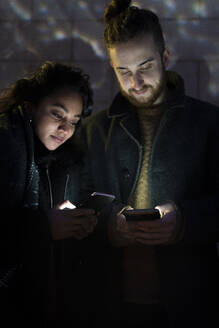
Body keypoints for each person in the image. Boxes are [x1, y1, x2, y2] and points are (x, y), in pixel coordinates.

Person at [80, 1, 219, 327]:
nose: (136, 82)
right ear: (112, 68)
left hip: (191, 305)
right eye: (124, 72)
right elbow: (76, 207)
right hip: (111, 305)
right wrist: (110, 227)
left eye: (145, 67)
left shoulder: (209, 124)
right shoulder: (93, 130)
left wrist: (184, 221)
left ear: (165, 58)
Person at [0, 61, 98, 327]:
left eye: (74, 121)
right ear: (31, 106)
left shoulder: (55, 156)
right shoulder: (7, 143)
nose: (66, 129)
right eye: (57, 115)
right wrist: (46, 225)